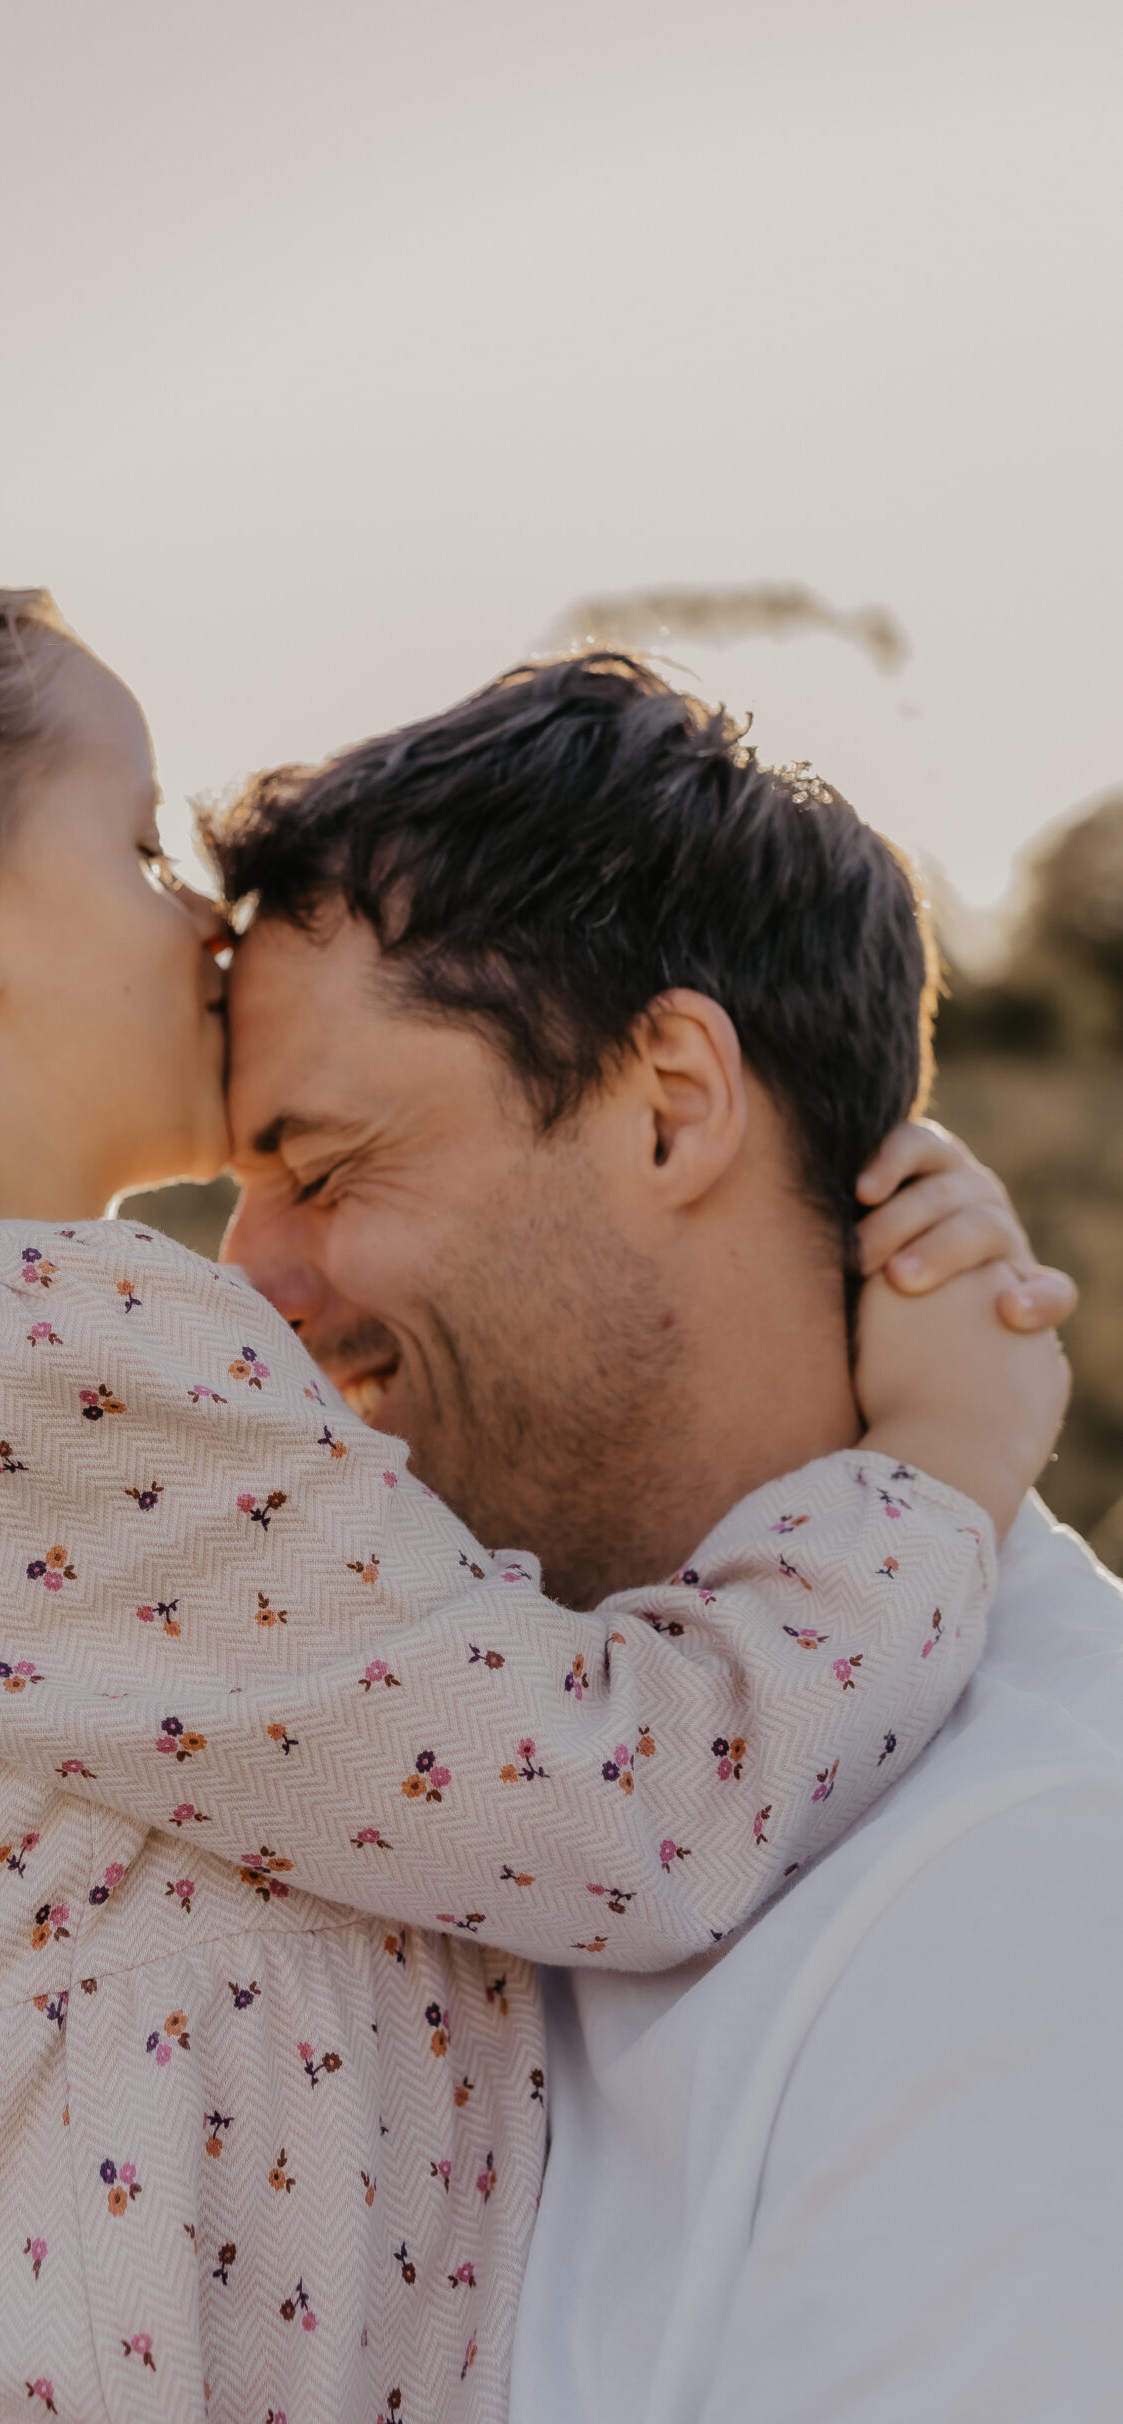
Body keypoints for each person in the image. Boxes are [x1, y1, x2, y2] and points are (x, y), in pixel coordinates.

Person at [0, 585, 1059, 2424]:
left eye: (333, 1165)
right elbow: (630, 1799)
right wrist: (934, 1474)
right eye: (138, 840)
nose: (199, 927)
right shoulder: (45, 1358)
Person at [209, 650, 1119, 2423]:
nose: (245, 1290)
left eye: (321, 1170)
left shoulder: (1031, 1901)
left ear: (668, 1106)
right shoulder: (438, 1747)